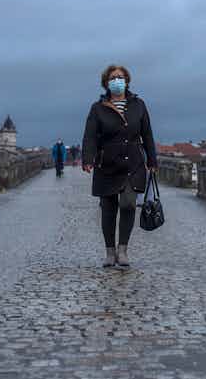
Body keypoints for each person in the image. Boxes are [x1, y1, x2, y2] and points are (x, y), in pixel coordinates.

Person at [82, 65, 158, 267]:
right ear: (106, 83)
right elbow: (90, 136)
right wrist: (88, 159)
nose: (117, 80)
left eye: (121, 77)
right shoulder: (98, 108)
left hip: (133, 162)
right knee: (108, 208)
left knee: (128, 204)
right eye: (113, 78)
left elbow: (147, 133)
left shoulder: (138, 105)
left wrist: (152, 159)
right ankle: (110, 252)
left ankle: (123, 249)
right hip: (107, 162)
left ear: (127, 81)